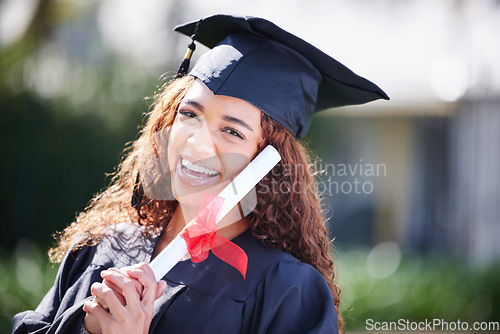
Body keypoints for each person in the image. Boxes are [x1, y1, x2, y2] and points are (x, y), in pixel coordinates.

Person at [12, 14, 388, 334]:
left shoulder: (285, 291)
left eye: (232, 131)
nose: (197, 145)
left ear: (269, 162)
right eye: (189, 114)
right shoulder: (102, 250)